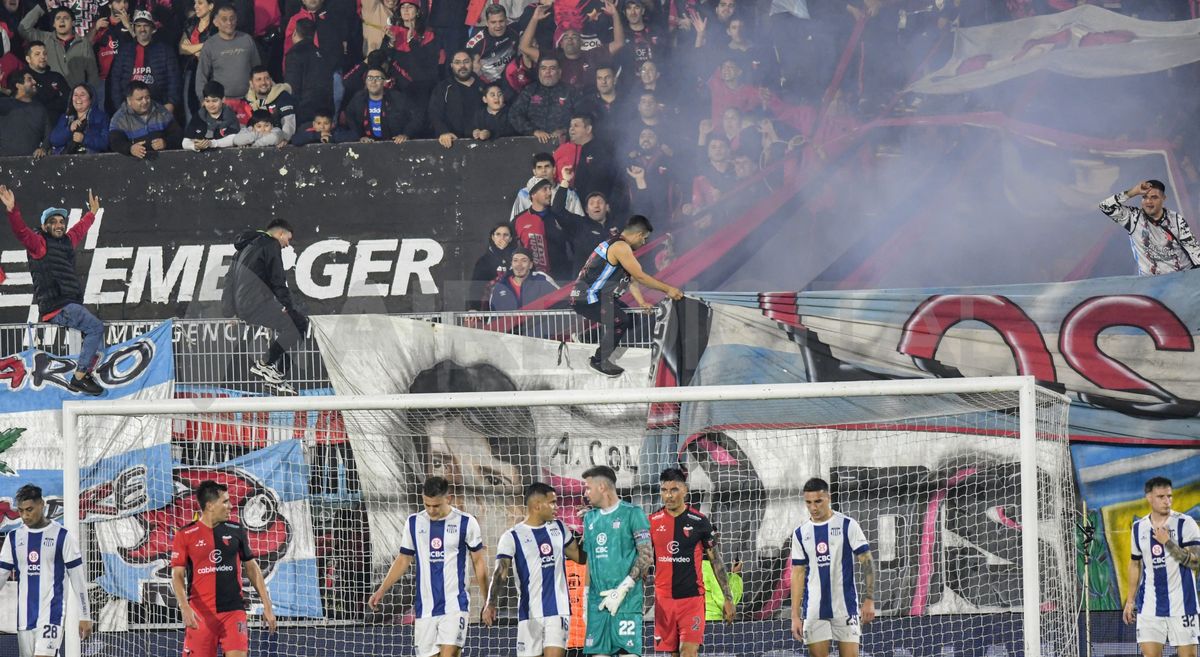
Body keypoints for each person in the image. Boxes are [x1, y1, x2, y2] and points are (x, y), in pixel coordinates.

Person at [369, 476, 490, 657]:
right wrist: (381, 590)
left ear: (448, 499)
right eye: (427, 505)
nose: (431, 511)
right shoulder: (414, 523)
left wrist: (488, 601)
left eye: (436, 506)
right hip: (425, 609)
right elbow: (403, 559)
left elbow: (478, 562)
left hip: (455, 605)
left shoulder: (466, 522)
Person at [1, 185, 105, 395]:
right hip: (57, 306)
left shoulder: (66, 241)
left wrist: (92, 214)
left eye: (61, 221)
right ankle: (80, 376)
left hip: (68, 304)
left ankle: (83, 371)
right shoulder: (39, 244)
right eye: (53, 222)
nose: (59, 225)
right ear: (44, 225)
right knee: (95, 328)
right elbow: (21, 232)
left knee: (91, 330)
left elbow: (79, 230)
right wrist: (13, 210)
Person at [170, 480, 278, 657]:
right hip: (200, 615)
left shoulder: (236, 530)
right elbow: (177, 575)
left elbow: (251, 568)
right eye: (225, 501)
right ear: (210, 505)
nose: (230, 506)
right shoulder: (185, 535)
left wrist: (267, 605)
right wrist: (184, 607)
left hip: (233, 612)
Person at [570, 214, 682, 377]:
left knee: (631, 318)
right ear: (639, 235)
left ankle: (585, 337)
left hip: (593, 296)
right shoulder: (621, 247)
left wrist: (642, 302)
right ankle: (599, 360)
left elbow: (632, 280)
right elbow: (641, 276)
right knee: (621, 320)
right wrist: (668, 289)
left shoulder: (614, 243)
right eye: (644, 239)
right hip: (588, 297)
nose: (643, 243)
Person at [483, 482, 585, 657]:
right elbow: (501, 571)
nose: (557, 508)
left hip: (558, 611)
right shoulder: (512, 536)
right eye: (552, 503)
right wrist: (491, 602)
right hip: (529, 613)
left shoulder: (559, 528)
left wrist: (592, 528)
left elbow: (580, 557)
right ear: (537, 505)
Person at [0, 484, 93, 657]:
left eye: (29, 509)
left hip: (52, 614)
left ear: (42, 504)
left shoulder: (63, 536)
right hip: (24, 619)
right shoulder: (13, 538)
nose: (25, 516)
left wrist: (85, 614)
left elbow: (78, 578)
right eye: (20, 511)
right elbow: (1, 575)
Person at [650, 468, 735, 657]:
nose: (668, 495)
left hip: (692, 600)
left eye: (674, 489)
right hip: (664, 601)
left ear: (685, 490)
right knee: (674, 654)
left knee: (688, 651)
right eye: (664, 490)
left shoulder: (699, 521)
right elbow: (644, 557)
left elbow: (716, 560)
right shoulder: (652, 521)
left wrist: (727, 598)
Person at [790, 477, 876, 657]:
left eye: (818, 501)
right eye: (809, 502)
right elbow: (797, 574)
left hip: (845, 608)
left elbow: (867, 561)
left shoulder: (847, 525)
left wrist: (869, 599)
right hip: (814, 611)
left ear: (828, 498)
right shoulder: (800, 533)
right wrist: (795, 616)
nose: (813, 507)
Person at [222, 219, 308, 395]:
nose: (287, 244)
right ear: (280, 234)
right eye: (288, 239)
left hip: (244, 306)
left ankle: (274, 376)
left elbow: (229, 279)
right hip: (257, 303)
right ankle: (266, 365)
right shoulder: (271, 244)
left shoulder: (243, 249)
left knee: (294, 327)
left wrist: (229, 312)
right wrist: (287, 305)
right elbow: (277, 278)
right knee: (299, 324)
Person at [1122, 476, 1200, 657]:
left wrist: (1169, 543)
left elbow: (1196, 562)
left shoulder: (1185, 523)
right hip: (1150, 606)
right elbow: (1135, 563)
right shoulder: (1138, 528)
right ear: (1149, 497)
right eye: (1161, 497)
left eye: (1169, 496)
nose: (1167, 501)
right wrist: (1130, 600)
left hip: (1183, 605)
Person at [579, 464, 652, 657]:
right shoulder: (589, 519)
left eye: (588, 487)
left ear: (602, 487)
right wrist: (586, 598)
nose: (585, 493)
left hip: (626, 603)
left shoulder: (633, 513)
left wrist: (621, 590)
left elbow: (646, 555)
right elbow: (590, 561)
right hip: (598, 604)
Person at [1099, 180, 1200, 276]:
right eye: (1144, 197)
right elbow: (1104, 206)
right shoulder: (1133, 217)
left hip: (1183, 279)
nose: (1148, 201)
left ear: (1163, 198)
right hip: (1151, 283)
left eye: (1154, 197)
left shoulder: (1176, 219)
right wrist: (1133, 192)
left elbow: (1194, 251)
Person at [108, 10, 181, 114]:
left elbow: (174, 80)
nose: (142, 29)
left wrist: (171, 103)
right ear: (134, 28)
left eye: (146, 25)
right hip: (130, 107)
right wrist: (120, 105)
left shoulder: (165, 50)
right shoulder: (124, 51)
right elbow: (115, 80)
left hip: (158, 105)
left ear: (152, 29)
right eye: (138, 26)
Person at [18, 5, 99, 88]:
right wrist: (41, 7)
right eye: (58, 18)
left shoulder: (83, 43)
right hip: (52, 95)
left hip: (75, 97)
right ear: (54, 24)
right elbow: (23, 29)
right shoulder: (45, 38)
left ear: (73, 23)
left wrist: (91, 95)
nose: (62, 21)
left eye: (66, 18)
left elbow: (92, 74)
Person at [509, 53, 581, 143]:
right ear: (539, 72)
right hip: (533, 144)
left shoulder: (570, 91)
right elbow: (514, 115)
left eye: (552, 68)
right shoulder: (530, 90)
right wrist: (534, 131)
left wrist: (564, 130)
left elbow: (581, 116)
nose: (547, 72)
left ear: (559, 72)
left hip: (564, 143)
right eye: (543, 68)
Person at [195, 5, 261, 102]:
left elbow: (258, 70)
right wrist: (204, 101)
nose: (229, 23)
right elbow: (201, 77)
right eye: (224, 19)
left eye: (232, 18)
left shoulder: (247, 40)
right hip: (221, 102)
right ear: (215, 22)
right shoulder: (210, 45)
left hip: (248, 100)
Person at [341, 65, 422, 143]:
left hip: (395, 144)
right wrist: (360, 136)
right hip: (369, 145)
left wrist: (406, 134)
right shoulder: (358, 98)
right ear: (365, 81)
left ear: (384, 82)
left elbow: (417, 116)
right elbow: (349, 116)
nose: (373, 81)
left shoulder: (397, 98)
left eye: (378, 78)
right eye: (370, 78)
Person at [108, 80, 183, 157]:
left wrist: (166, 143)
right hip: (132, 163)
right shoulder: (119, 118)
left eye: (147, 97)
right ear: (129, 101)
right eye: (139, 99)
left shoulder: (161, 112)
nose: (145, 102)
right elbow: (115, 142)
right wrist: (130, 148)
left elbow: (178, 135)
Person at [284, 18, 334, 124]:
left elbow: (292, 86)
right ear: (314, 34)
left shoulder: (294, 54)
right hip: (324, 110)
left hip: (303, 112)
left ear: (295, 33)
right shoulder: (323, 54)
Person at [429, 49, 482, 149]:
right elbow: (434, 113)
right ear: (451, 65)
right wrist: (444, 132)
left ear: (472, 63)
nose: (462, 66)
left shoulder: (484, 87)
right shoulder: (443, 88)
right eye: (457, 63)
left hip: (482, 144)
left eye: (466, 62)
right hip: (452, 144)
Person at [511, 152, 582, 221]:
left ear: (554, 170)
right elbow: (514, 223)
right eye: (539, 167)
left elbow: (580, 223)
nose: (543, 170)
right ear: (534, 172)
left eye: (547, 166)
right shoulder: (523, 194)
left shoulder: (569, 194)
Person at [489, 246, 559, 310]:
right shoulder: (501, 286)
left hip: (537, 323)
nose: (519, 264)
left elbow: (560, 301)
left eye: (524, 260)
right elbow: (493, 316)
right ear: (512, 264)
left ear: (531, 265)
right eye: (515, 260)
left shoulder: (541, 280)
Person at [0, 71, 52, 158]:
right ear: (18, 85)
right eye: (29, 79)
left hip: (32, 164)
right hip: (4, 163)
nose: (34, 82)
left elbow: (48, 134)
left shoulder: (40, 108)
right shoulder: (4, 104)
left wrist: (43, 148)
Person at [182, 80, 242, 150]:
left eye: (214, 101)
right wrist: (195, 146)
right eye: (207, 101)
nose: (211, 105)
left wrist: (211, 143)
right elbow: (185, 142)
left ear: (223, 99)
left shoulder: (230, 116)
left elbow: (234, 139)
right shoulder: (199, 116)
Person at [49, 83, 109, 153]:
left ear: (91, 99)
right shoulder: (65, 117)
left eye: (82, 95)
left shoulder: (101, 117)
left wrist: (84, 139)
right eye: (75, 95)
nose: (78, 98)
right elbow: (54, 140)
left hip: (91, 160)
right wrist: (69, 129)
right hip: (66, 160)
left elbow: (105, 143)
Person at [245, 65, 297, 143]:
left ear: (271, 80)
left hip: (279, 141)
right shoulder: (246, 101)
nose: (263, 82)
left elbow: (288, 122)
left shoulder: (282, 96)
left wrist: (285, 139)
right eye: (259, 79)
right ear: (251, 83)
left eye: (267, 78)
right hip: (256, 141)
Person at [469, 221, 514, 310]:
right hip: (489, 308)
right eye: (498, 234)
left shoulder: (517, 258)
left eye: (506, 235)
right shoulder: (483, 261)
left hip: (513, 307)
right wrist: (473, 308)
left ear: (511, 238)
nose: (502, 238)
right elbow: (476, 287)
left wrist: (507, 255)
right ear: (493, 237)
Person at [23, 41, 70, 118]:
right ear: (28, 59)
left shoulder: (57, 77)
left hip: (60, 121)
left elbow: (68, 100)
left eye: (44, 53)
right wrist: (57, 97)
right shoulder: (22, 78)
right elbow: (33, 105)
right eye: (37, 54)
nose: (42, 57)